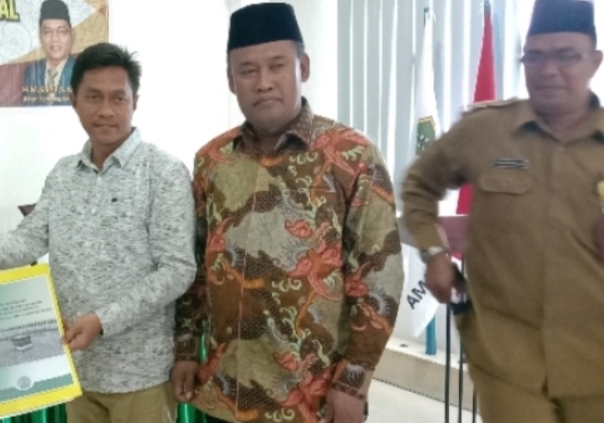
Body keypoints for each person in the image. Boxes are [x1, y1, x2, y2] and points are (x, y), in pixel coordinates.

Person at [171, 4, 404, 423]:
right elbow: (196, 266)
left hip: (312, 399)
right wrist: (187, 348)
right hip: (225, 392)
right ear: (231, 80)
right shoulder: (212, 161)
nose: (263, 82)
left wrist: (353, 382)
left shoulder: (351, 156)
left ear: (303, 67)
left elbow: (379, 275)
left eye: (277, 66)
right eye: (247, 70)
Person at [0, 42, 196, 423]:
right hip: (75, 369)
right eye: (93, 97)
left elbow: (177, 270)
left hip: (139, 376)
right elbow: (28, 239)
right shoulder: (63, 174)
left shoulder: (163, 172)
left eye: (118, 98)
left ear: (135, 102)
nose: (106, 110)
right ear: (73, 100)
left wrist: (103, 320)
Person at [401, 1, 604, 421]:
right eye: (534, 57)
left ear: (595, 61)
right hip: (507, 358)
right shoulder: (486, 130)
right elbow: (420, 183)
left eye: (566, 56)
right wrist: (434, 253)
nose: (548, 70)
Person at [23, 0, 77, 106]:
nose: (54, 39)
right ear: (40, 36)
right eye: (47, 32)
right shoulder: (31, 73)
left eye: (61, 31)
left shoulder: (82, 73)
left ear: (71, 35)